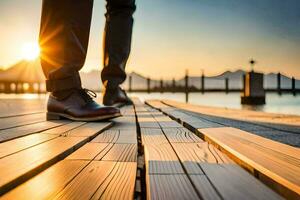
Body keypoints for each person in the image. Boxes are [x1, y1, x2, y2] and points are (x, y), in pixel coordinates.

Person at [39, 0, 135, 121]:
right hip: (62, 90)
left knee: (122, 5)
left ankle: (113, 87)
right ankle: (62, 88)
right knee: (121, 7)